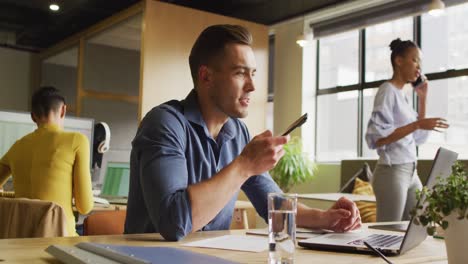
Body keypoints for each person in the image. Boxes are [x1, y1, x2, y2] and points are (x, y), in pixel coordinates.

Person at [124, 24, 361, 241]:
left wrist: (326, 218)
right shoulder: (164, 123)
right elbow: (173, 223)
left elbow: (274, 208)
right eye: (240, 73)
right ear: (206, 76)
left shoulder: (237, 132)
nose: (252, 86)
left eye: (253, 73)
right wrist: (244, 164)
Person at [365, 38, 449, 222]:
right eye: (415, 60)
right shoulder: (387, 90)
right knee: (388, 231)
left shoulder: (403, 97)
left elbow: (417, 139)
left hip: (411, 170)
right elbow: (377, 138)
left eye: (420, 62)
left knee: (418, 224)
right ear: (399, 61)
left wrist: (423, 99)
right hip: (392, 170)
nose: (419, 66)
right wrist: (417, 124)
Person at [0, 86, 94, 236]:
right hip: (62, 239)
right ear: (63, 110)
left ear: (33, 116)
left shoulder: (17, 146)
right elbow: (85, 207)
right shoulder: (77, 141)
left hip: (22, 241)